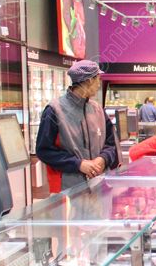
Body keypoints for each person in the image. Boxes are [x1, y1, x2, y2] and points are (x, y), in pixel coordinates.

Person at [35, 60, 119, 194]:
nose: (99, 84)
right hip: (69, 191)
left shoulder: (98, 109)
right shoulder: (54, 110)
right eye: (98, 79)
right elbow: (44, 150)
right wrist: (78, 164)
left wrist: (103, 159)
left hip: (99, 188)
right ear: (90, 80)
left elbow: (111, 144)